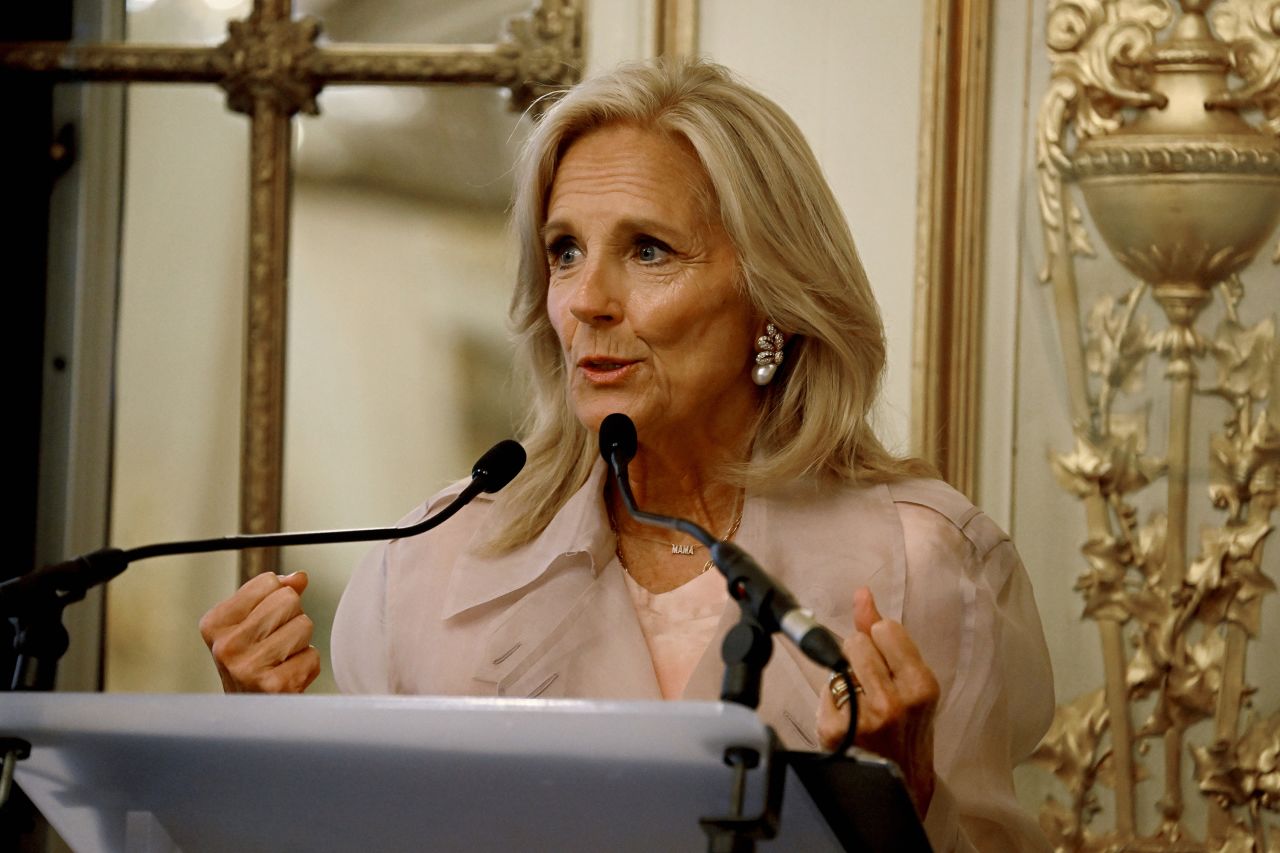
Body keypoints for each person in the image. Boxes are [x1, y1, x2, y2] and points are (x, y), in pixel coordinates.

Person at [199, 58, 1054, 851]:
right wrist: (262, 745)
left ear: (773, 299)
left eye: (648, 250)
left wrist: (897, 797)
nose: (586, 301)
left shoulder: (923, 567)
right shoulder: (434, 560)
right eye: (565, 251)